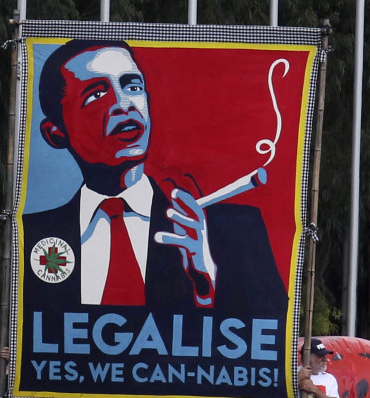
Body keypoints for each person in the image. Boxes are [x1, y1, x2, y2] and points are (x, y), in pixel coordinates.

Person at [24, 39, 287, 314]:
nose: (123, 104)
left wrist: (206, 284)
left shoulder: (234, 230)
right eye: (96, 95)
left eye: (132, 86)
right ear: (55, 133)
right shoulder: (34, 235)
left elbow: (271, 332)